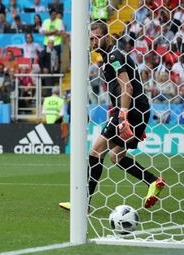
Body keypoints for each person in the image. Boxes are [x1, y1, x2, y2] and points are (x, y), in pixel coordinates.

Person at [59, 22, 165, 211]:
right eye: (91, 38)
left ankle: (83, 204)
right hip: (138, 110)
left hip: (130, 110)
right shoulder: (110, 56)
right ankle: (153, 181)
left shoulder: (114, 56)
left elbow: (127, 86)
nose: (93, 41)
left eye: (97, 37)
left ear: (107, 37)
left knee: (95, 152)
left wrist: (123, 116)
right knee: (116, 156)